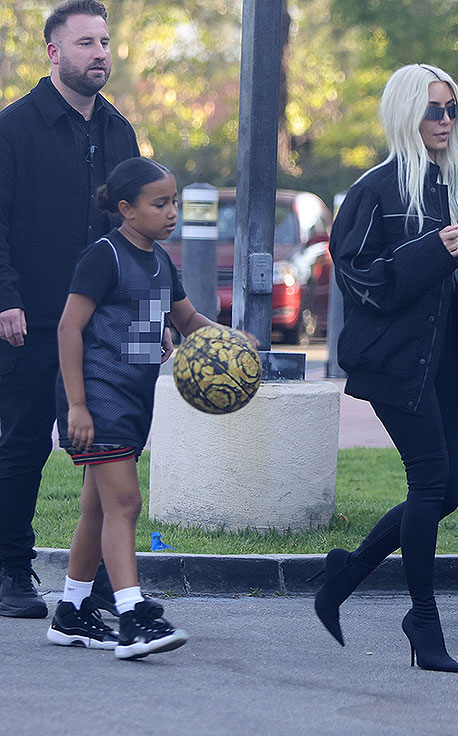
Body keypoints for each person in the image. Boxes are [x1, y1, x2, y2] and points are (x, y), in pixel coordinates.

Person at [314, 64, 458, 672]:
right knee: (431, 487)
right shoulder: (375, 191)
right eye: (433, 109)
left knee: (443, 494)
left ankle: (345, 575)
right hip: (398, 366)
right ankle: (422, 622)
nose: (445, 121)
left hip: (452, 367)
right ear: (406, 113)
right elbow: (361, 283)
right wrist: (428, 254)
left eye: (451, 109)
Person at [0, 0, 146, 619]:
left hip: (105, 326)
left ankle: (108, 583)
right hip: (29, 317)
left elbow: (135, 231)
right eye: (87, 44)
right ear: (55, 52)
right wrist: (5, 299)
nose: (101, 55)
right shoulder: (13, 129)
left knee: (109, 447)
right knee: (25, 442)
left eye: (106, 43)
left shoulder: (120, 132)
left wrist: (152, 311)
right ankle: (10, 573)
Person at [47, 157, 225, 659]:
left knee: (97, 506)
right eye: (160, 203)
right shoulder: (104, 257)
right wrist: (77, 405)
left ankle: (72, 611)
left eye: (175, 202)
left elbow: (187, 321)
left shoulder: (160, 261)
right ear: (126, 208)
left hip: (132, 396)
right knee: (125, 504)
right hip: (96, 395)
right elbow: (68, 329)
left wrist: (234, 342)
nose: (172, 212)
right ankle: (132, 616)